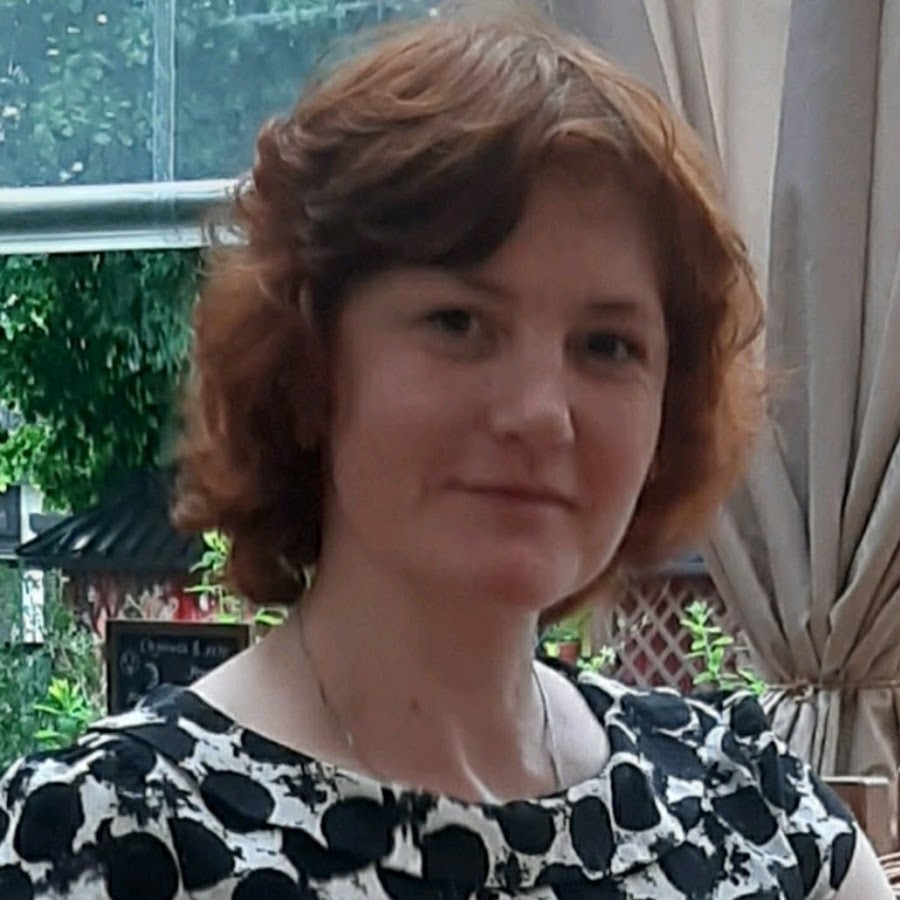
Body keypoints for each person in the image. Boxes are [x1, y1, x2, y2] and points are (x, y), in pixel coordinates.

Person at [0, 8, 892, 900]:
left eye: (607, 345)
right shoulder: (95, 844)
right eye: (459, 323)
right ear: (310, 367)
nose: (541, 414)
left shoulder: (765, 825)